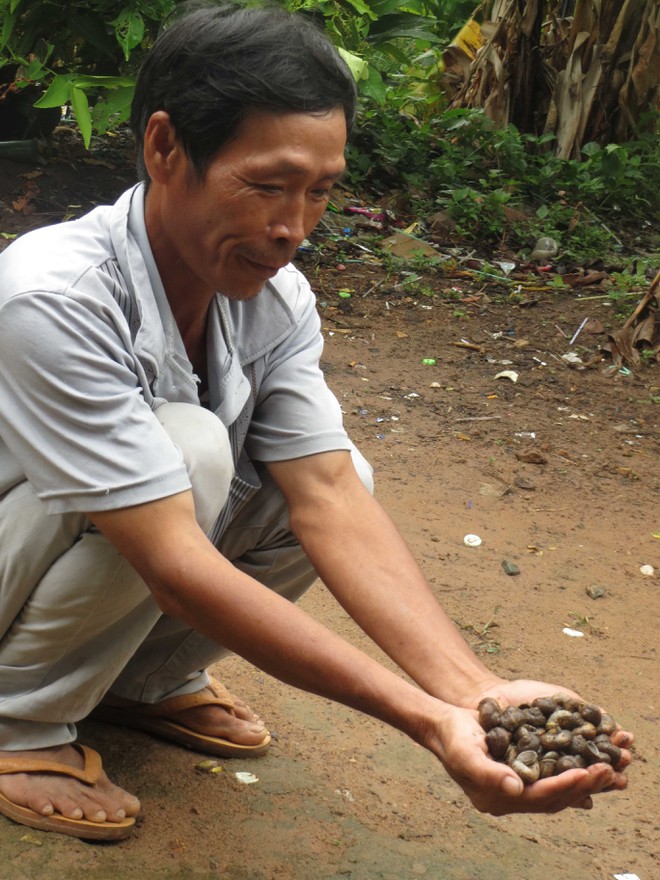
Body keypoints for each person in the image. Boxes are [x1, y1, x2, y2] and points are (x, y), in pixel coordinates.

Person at [0, 3, 631, 841]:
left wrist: (472, 689)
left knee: (338, 477)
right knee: (189, 453)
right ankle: (19, 721)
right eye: (266, 185)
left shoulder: (274, 294)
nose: (293, 228)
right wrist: (421, 720)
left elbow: (328, 496)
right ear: (164, 148)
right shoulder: (53, 296)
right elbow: (175, 565)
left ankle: (137, 683)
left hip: (94, 545)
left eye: (320, 192)